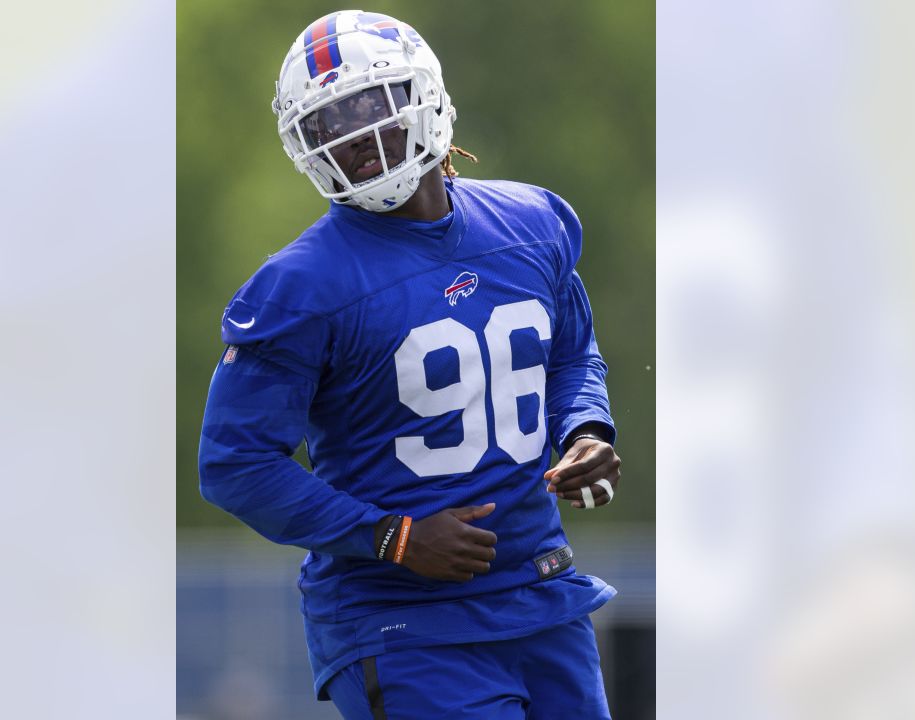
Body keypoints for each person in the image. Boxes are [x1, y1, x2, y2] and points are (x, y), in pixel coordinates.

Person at [199, 10, 622, 719]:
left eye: (369, 105)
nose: (353, 136)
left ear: (423, 96)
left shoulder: (530, 224)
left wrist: (587, 429)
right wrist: (388, 535)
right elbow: (234, 462)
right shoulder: (301, 286)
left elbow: (572, 348)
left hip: (542, 597)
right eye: (327, 123)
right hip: (404, 627)